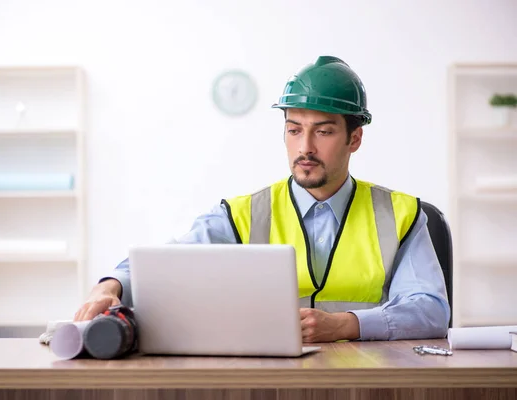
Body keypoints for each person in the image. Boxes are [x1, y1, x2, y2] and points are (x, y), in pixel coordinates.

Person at [74, 56, 451, 343]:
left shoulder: (402, 214)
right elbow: (166, 264)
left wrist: (345, 325)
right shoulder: (241, 214)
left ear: (354, 139)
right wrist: (113, 284)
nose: (305, 147)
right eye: (293, 130)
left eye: (323, 131)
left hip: (371, 376)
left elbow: (431, 311)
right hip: (269, 376)